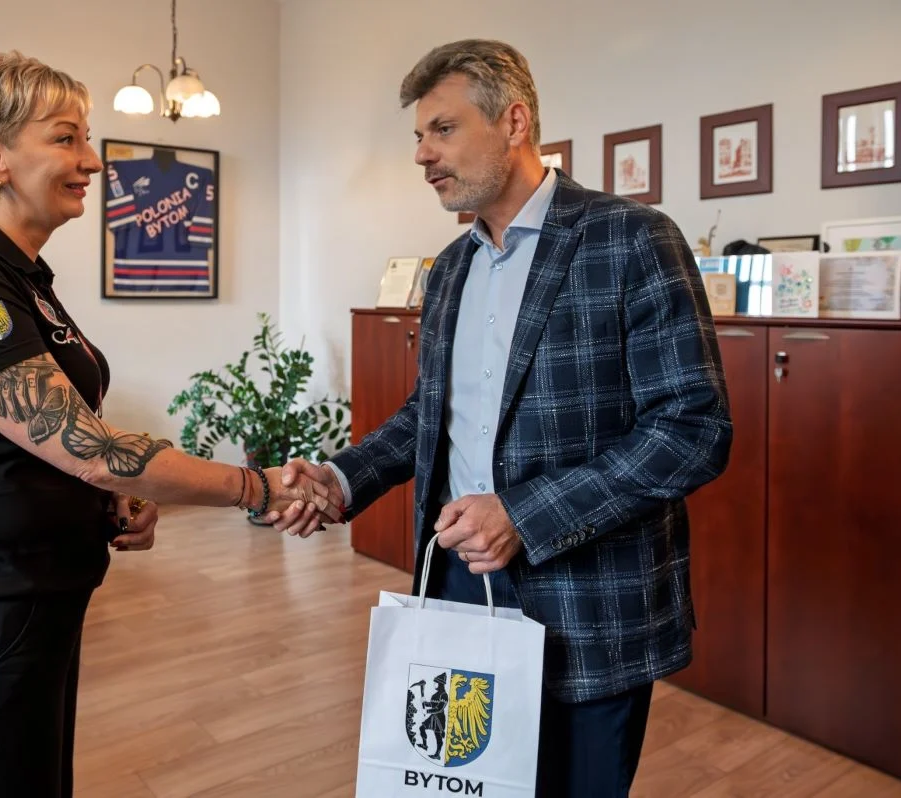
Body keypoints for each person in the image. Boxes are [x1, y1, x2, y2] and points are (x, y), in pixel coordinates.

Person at [268, 39, 732, 797]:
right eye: (419, 135)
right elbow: (430, 415)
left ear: (514, 122)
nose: (422, 154)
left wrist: (523, 514)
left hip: (589, 602)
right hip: (457, 584)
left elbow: (692, 430)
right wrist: (340, 479)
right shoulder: (450, 268)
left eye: (443, 129)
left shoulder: (632, 239)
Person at [0, 51, 335, 798]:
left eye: (86, 138)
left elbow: (51, 441)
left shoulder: (18, 274)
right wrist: (255, 487)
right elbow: (87, 446)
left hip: (39, 594)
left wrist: (110, 497)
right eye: (66, 138)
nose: (91, 161)